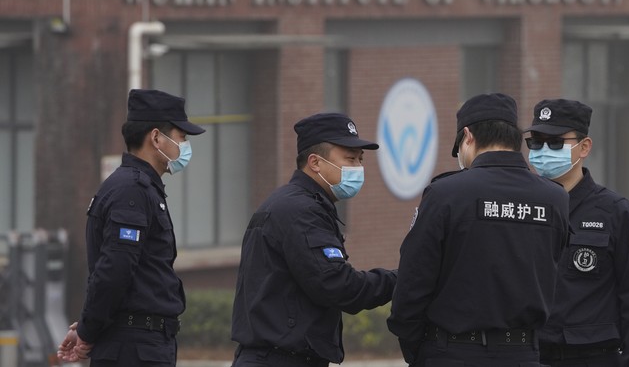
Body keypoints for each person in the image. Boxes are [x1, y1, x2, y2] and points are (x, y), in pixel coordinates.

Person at [388, 93, 570, 367]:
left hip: (452, 352)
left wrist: (421, 350)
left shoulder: (445, 194)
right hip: (523, 354)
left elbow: (412, 285)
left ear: (468, 136)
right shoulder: (555, 198)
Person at [230, 112, 396, 367]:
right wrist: (403, 277)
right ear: (315, 162)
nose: (358, 169)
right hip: (279, 360)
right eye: (350, 159)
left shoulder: (293, 203)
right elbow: (338, 286)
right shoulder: (302, 211)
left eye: (361, 160)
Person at [57, 89, 206, 366]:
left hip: (138, 343)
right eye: (181, 137)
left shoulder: (139, 188)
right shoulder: (132, 191)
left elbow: (129, 276)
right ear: (156, 137)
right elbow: (114, 269)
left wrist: (88, 324)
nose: (184, 146)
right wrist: (89, 331)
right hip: (135, 349)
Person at [525, 98, 629, 367]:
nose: (543, 150)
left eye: (556, 142)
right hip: (530, 355)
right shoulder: (522, 207)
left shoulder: (615, 212)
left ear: (584, 147)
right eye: (536, 142)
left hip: (592, 357)